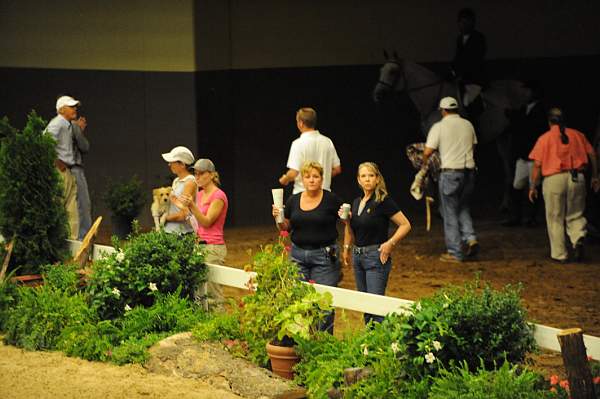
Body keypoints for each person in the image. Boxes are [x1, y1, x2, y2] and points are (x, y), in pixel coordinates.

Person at [273, 161, 342, 333]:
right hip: (297, 255)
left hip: (325, 255)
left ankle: (323, 344)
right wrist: (278, 218)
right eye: (307, 176)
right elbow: (285, 228)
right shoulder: (293, 200)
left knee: (324, 303)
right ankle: (301, 343)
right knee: (298, 300)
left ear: (321, 179)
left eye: (315, 176)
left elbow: (348, 222)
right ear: (302, 179)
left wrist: (347, 247)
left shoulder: (331, 200)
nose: (311, 180)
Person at [341, 162, 411, 325]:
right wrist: (346, 247)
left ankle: (381, 346)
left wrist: (390, 243)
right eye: (363, 176)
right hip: (358, 256)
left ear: (377, 179)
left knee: (376, 306)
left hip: (375, 256)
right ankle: (370, 345)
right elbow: (351, 229)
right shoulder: (357, 202)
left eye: (371, 175)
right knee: (365, 305)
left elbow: (405, 224)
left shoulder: (383, 201)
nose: (367, 179)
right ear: (358, 180)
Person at [528, 108, 599, 263]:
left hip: (554, 179)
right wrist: (594, 176)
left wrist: (533, 186)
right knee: (576, 213)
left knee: (555, 217)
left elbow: (537, 165)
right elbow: (592, 154)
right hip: (577, 177)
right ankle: (577, 237)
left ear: (549, 121)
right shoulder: (578, 135)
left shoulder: (544, 138)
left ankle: (560, 254)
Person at [420, 96, 479, 263]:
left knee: (449, 212)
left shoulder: (439, 127)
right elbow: (473, 147)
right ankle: (470, 238)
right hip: (469, 172)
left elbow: (427, 152)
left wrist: (425, 166)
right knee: (463, 207)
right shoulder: (468, 124)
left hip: (450, 173)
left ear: (442, 110)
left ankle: (455, 252)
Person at [180, 159, 228, 309]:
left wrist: (192, 206)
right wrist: (188, 213)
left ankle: (220, 328)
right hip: (200, 245)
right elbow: (199, 222)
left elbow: (207, 222)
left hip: (213, 247)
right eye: (196, 173)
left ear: (212, 175)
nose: (197, 177)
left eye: (201, 173)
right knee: (200, 293)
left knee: (214, 295)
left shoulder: (218, 196)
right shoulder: (200, 195)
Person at [503, 80, 548, 227]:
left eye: (527, 91)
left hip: (534, 156)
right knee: (517, 186)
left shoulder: (540, 110)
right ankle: (517, 216)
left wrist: (515, 117)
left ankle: (532, 217)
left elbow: (531, 127)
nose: (524, 94)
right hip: (522, 155)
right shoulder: (523, 108)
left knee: (533, 186)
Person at [279, 107, 341, 194]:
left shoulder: (298, 144)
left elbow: (294, 172)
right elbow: (337, 169)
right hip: (325, 195)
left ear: (300, 123)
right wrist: (321, 177)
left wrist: (285, 178)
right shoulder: (327, 142)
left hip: (303, 195)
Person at [45, 95, 81, 240]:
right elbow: (45, 143)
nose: (75, 109)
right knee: (59, 209)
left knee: (71, 211)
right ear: (62, 109)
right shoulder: (57, 124)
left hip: (67, 171)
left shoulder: (67, 125)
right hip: (60, 171)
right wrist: (57, 163)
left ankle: (72, 244)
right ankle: (57, 243)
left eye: (75, 106)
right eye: (71, 107)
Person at [451, 7, 487, 109]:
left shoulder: (479, 38)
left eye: (467, 22)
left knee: (467, 103)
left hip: (475, 80)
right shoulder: (459, 39)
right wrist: (451, 71)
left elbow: (476, 60)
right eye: (462, 22)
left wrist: (462, 74)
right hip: (462, 80)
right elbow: (458, 58)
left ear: (472, 23)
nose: (464, 25)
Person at [161, 146, 198, 234]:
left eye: (172, 162)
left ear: (182, 164)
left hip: (182, 233)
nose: (169, 164)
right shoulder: (176, 180)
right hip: (170, 231)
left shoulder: (190, 182)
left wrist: (165, 218)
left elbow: (183, 214)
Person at [71, 115, 92, 240]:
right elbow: (85, 146)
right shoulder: (73, 126)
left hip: (63, 169)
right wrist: (79, 129)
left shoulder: (55, 126)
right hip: (74, 168)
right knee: (83, 205)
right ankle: (83, 240)